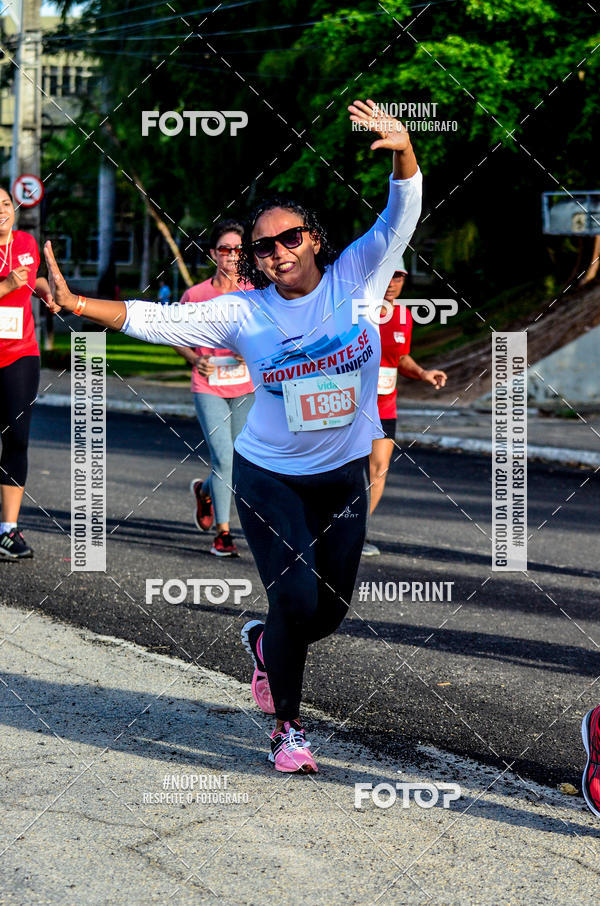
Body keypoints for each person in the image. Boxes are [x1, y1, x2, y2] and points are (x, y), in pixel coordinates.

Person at [43, 98, 422, 773]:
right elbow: (156, 319)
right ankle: (286, 728)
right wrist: (75, 305)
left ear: (314, 238)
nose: (277, 252)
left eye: (289, 238)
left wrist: (403, 148)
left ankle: (261, 643)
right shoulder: (243, 312)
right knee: (296, 600)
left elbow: (400, 215)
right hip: (269, 476)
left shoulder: (356, 280)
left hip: (340, 478)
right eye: (263, 247)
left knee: (327, 615)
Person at [173, 220, 254, 557]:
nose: (232, 256)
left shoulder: (256, 291)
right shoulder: (196, 295)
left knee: (237, 459)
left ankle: (205, 492)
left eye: (238, 249)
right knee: (223, 457)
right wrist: (195, 359)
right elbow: (173, 334)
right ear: (213, 254)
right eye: (225, 249)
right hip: (208, 385)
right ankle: (223, 533)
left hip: (247, 386)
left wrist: (251, 350)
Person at [363, 261, 448, 556]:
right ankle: (328, 528)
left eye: (398, 276)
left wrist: (423, 373)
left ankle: (356, 533)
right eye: (386, 275)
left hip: (384, 406)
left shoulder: (404, 315)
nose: (392, 282)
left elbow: (400, 358)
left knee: (379, 469)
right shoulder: (357, 312)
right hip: (350, 406)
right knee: (341, 471)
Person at [0, 187, 53, 559]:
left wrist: (46, 290)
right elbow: (13, 284)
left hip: (21, 353)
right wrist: (6, 285)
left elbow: (32, 281)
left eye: (4, 204)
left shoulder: (26, 242)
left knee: (17, 438)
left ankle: (8, 530)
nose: (2, 211)